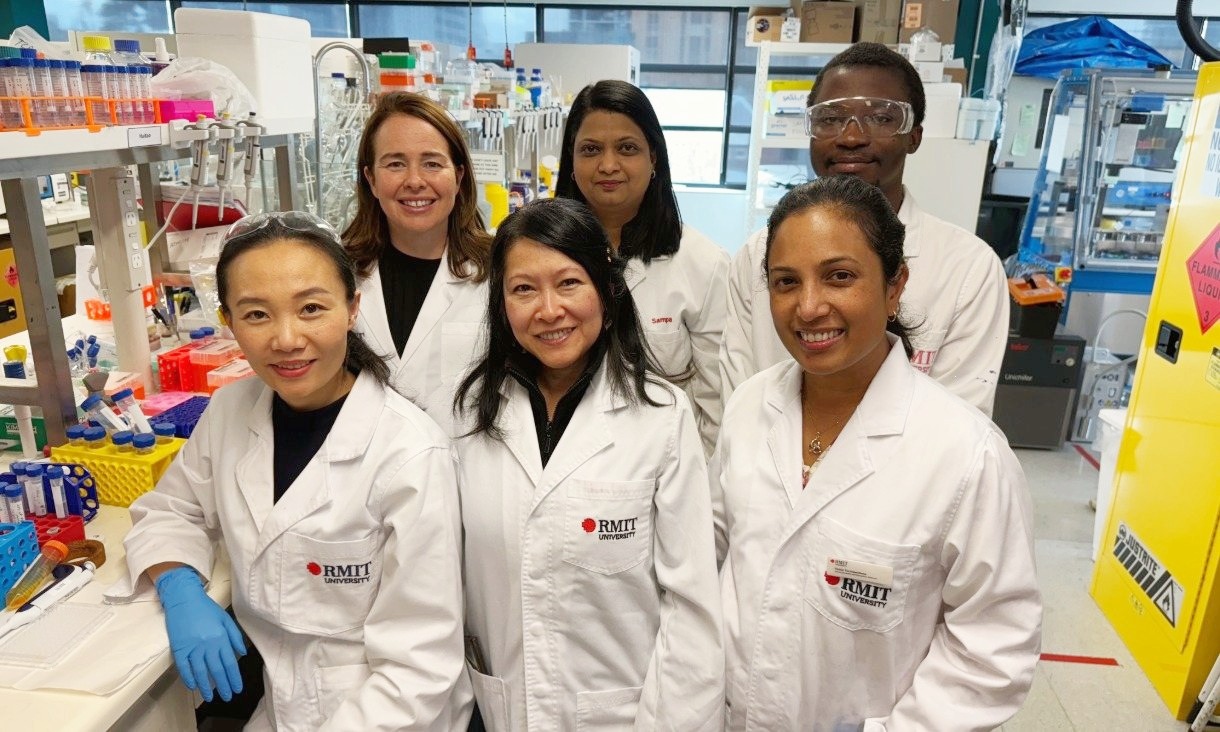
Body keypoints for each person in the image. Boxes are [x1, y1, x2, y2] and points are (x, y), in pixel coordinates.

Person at [713, 176, 1041, 731]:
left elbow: (993, 647)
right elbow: (720, 557)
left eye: (839, 276)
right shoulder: (749, 407)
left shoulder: (964, 455)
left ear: (894, 287)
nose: (809, 307)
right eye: (785, 282)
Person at [122, 211, 466, 730]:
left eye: (311, 308)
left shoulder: (411, 454)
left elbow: (419, 670)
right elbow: (171, 510)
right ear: (230, 321)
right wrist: (178, 588)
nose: (286, 339)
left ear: (351, 308)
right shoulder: (232, 409)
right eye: (257, 314)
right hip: (279, 706)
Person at [452, 198, 724, 730]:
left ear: (607, 290)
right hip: (502, 709)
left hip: (623, 715)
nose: (548, 310)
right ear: (501, 305)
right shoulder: (469, 414)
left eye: (569, 283)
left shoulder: (662, 419)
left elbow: (691, 612)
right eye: (523, 289)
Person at [719, 42, 1009, 416]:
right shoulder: (757, 254)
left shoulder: (968, 267)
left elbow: (959, 430)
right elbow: (740, 401)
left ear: (914, 136)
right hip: (769, 468)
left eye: (881, 118)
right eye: (830, 118)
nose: (851, 137)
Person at [556, 80, 728, 455]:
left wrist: (703, 494)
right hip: (561, 457)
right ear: (571, 160)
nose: (608, 165)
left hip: (663, 469)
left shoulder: (703, 263)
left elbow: (717, 401)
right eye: (590, 149)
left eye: (627, 148)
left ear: (654, 158)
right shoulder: (541, 253)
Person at [344, 92, 492, 434]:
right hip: (362, 474)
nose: (414, 180)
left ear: (458, 175)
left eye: (432, 163)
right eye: (395, 163)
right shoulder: (337, 273)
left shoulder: (497, 272)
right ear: (371, 179)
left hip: (463, 476)